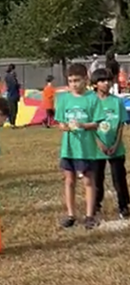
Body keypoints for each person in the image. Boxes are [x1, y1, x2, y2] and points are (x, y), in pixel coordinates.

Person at [54, 63, 104, 229]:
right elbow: (60, 123)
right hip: (68, 148)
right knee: (69, 180)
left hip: (86, 148)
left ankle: (90, 215)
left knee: (88, 181)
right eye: (70, 81)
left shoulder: (92, 98)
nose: (74, 84)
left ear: (85, 80)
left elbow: (97, 123)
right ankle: (71, 214)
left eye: (77, 80)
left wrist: (82, 125)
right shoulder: (64, 99)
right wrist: (66, 127)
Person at [91, 68, 130, 218]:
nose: (106, 83)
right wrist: (99, 143)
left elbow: (121, 124)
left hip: (116, 148)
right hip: (96, 148)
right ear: (95, 84)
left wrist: (115, 144)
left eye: (108, 80)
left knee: (119, 178)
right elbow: (90, 126)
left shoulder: (116, 102)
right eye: (102, 81)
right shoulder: (91, 102)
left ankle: (123, 205)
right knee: (97, 179)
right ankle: (95, 206)